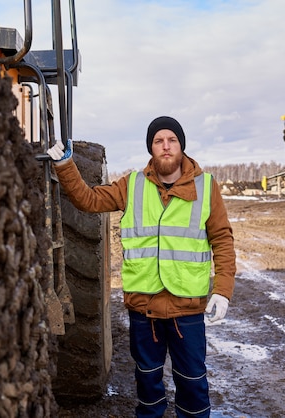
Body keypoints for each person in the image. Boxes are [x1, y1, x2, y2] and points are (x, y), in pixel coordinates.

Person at [47, 116, 236, 418]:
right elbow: (88, 200)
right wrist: (66, 166)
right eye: (158, 141)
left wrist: (223, 290)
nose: (165, 146)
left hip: (185, 310)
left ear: (181, 146)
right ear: (151, 148)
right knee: (147, 384)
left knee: (192, 385)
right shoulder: (132, 185)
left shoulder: (206, 187)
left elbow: (223, 240)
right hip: (143, 309)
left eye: (171, 140)